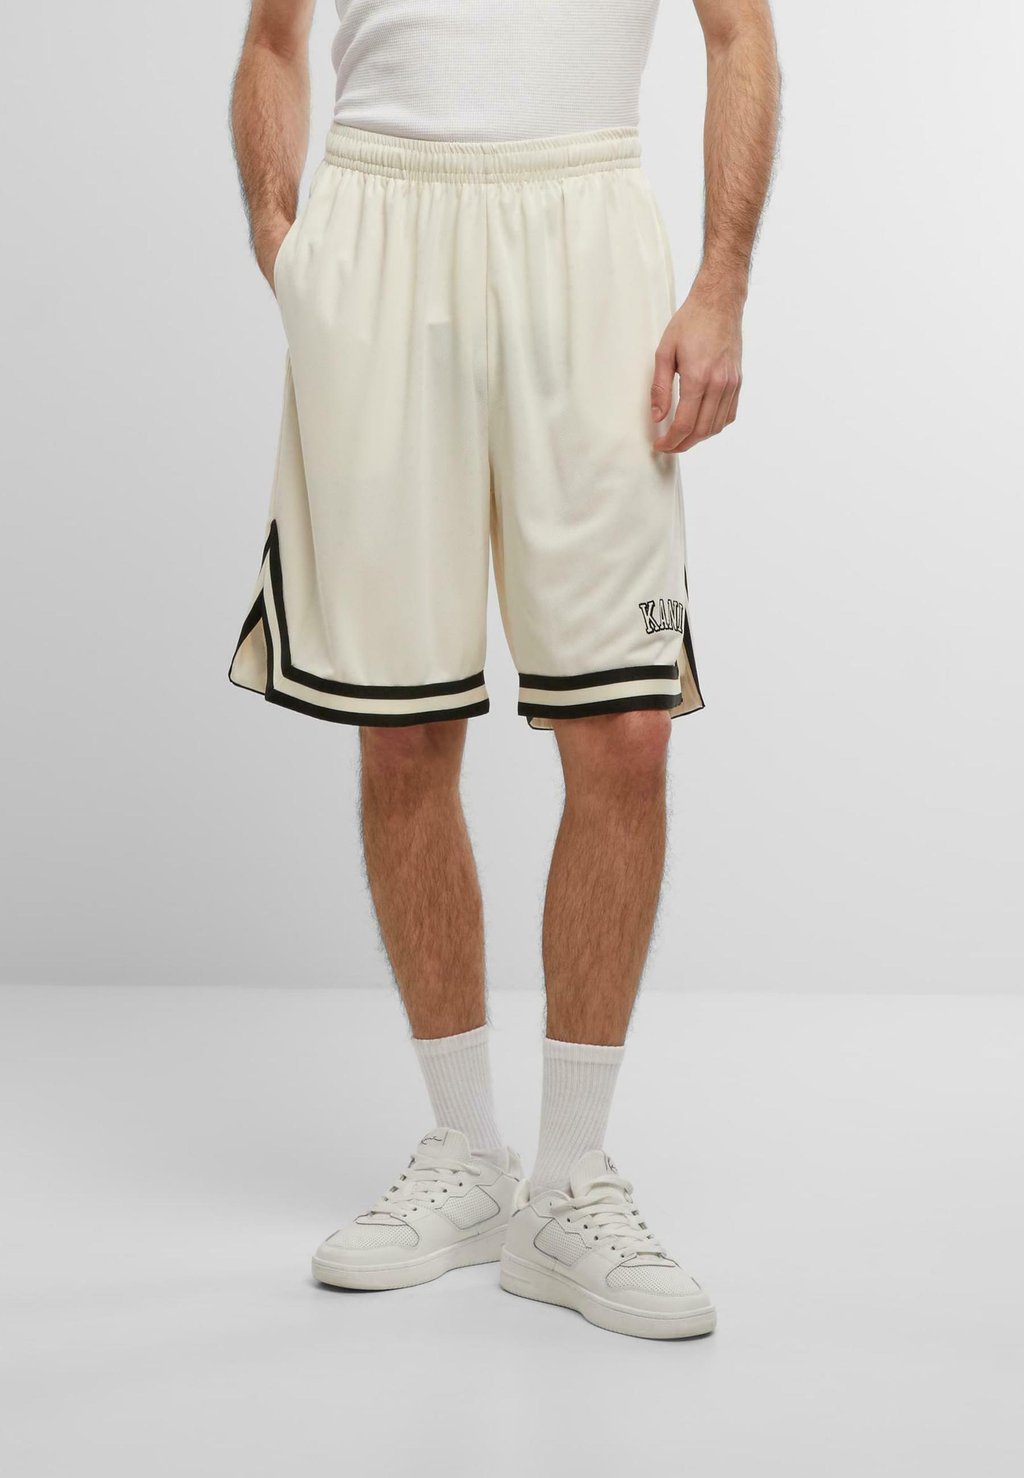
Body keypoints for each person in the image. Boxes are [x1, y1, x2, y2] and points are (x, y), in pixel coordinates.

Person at [229, 0, 779, 1340]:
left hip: (587, 224)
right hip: (379, 228)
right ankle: (467, 1155)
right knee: (402, 729)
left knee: (627, 725)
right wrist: (282, 239)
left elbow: (739, 33)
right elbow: (272, 41)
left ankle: (570, 1180)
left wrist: (721, 282)